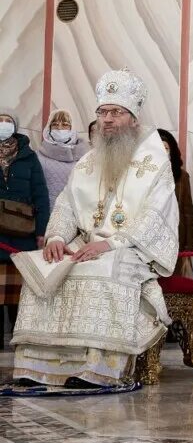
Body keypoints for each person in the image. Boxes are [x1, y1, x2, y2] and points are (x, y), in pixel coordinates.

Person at [10, 70, 176, 387]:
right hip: (82, 245)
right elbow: (66, 204)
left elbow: (157, 215)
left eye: (116, 112)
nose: (107, 119)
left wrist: (109, 245)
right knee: (41, 268)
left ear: (134, 119)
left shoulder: (154, 163)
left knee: (107, 271)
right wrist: (57, 237)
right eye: (102, 112)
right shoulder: (87, 162)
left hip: (128, 249)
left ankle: (100, 368)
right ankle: (39, 366)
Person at [0, 110, 50, 342]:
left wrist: (42, 231)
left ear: (16, 126)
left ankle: (21, 338)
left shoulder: (29, 156)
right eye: (0, 121)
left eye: (8, 121)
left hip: (23, 234)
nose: (3, 125)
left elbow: (41, 194)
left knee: (21, 292)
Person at [158, 130, 193, 277]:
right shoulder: (139, 175)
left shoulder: (182, 176)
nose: (162, 151)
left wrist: (189, 246)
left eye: (166, 148)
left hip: (175, 235)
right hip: (148, 236)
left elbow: (188, 213)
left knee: (174, 281)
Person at [37, 109, 88, 208]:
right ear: (49, 128)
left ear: (72, 128)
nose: (59, 128)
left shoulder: (85, 156)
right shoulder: (38, 155)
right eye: (55, 125)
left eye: (65, 125)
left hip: (74, 211)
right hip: (45, 210)